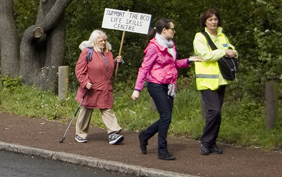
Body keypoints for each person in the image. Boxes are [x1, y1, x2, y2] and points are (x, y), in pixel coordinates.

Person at [131, 18, 203, 160]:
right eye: (172, 29)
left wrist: (189, 60)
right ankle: (162, 151)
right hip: (156, 84)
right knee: (166, 116)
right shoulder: (153, 46)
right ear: (164, 30)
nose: (174, 31)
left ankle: (144, 135)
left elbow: (172, 64)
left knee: (166, 118)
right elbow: (144, 68)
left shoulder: (170, 45)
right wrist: (137, 89)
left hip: (169, 85)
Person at [193, 9, 238, 156]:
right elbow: (206, 55)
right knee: (214, 111)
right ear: (205, 22)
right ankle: (205, 141)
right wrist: (224, 52)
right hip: (206, 80)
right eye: (210, 19)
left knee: (218, 114)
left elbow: (232, 49)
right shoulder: (199, 37)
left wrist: (232, 51)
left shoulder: (222, 35)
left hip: (221, 80)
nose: (213, 22)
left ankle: (212, 143)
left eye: (215, 19)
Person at [73, 30, 125, 144]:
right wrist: (85, 82)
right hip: (91, 88)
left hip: (105, 87)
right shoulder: (87, 52)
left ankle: (113, 133)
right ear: (94, 41)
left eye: (104, 40)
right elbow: (79, 70)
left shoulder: (108, 53)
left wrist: (116, 62)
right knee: (86, 109)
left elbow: (107, 67)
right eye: (100, 40)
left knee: (107, 108)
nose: (103, 42)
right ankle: (80, 133)